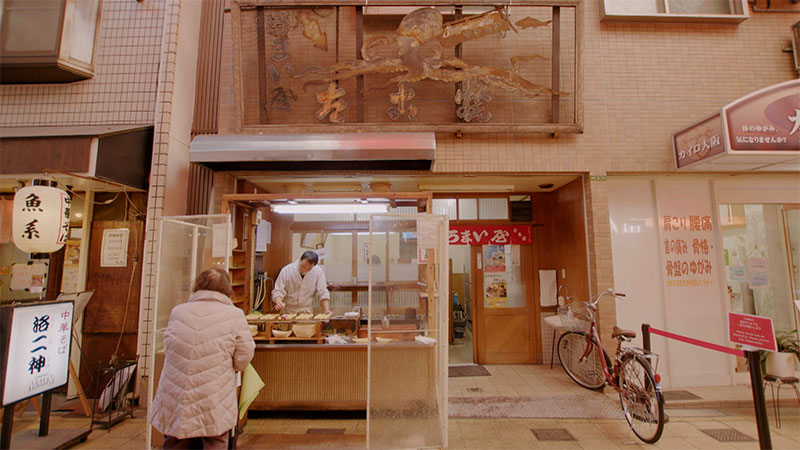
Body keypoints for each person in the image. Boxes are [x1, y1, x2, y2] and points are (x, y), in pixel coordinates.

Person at [150, 267, 255, 449]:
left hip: (177, 391)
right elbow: (245, 354)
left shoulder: (178, 312)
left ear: (197, 285)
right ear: (227, 289)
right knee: (214, 438)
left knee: (176, 438)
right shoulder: (234, 315)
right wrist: (233, 366)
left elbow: (170, 347)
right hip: (214, 392)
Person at [272, 250, 331, 314]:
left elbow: (323, 292)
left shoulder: (318, 271)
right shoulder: (287, 270)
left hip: (306, 311)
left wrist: (326, 310)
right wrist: (279, 302)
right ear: (300, 259)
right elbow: (278, 291)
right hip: (288, 311)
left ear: (313, 266)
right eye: (302, 266)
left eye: (308, 269)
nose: (304, 270)